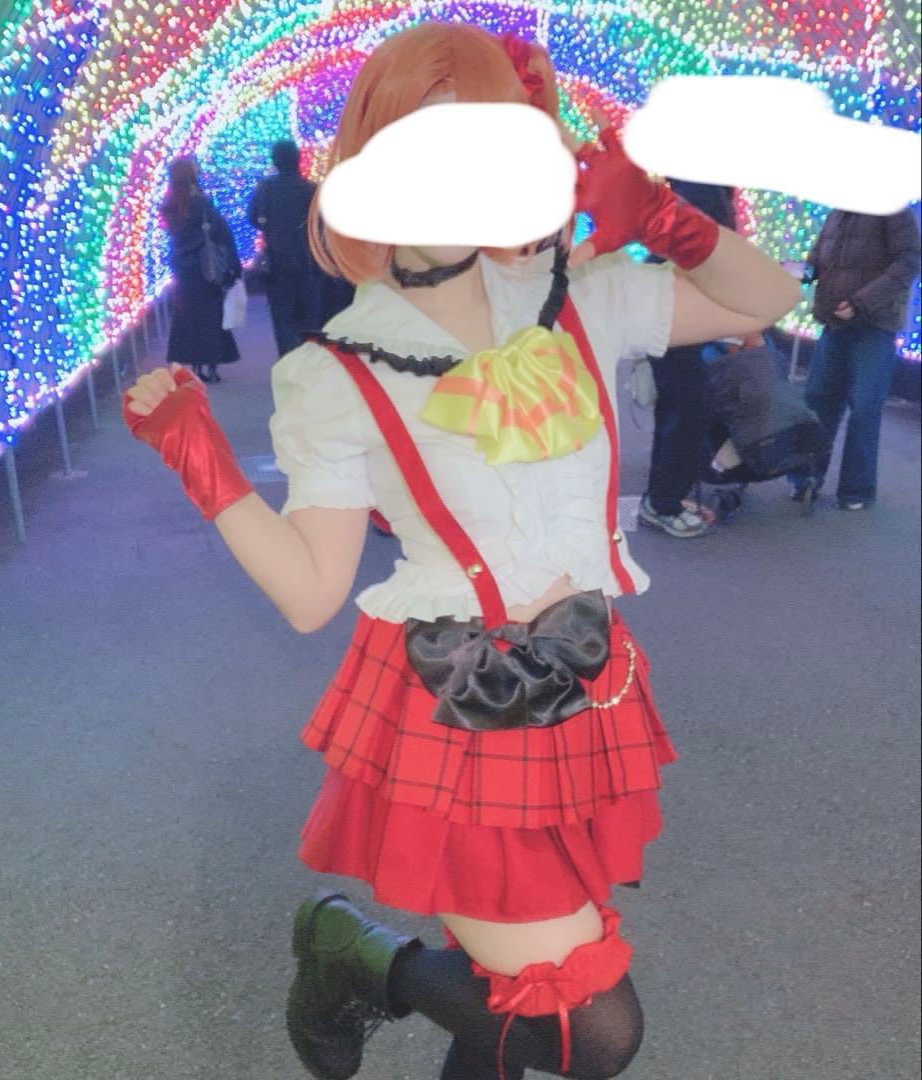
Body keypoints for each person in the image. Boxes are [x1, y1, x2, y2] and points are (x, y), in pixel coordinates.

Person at [124, 23, 800, 1080]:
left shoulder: (581, 298)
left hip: (582, 682)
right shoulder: (335, 372)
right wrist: (202, 464)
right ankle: (356, 955)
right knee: (589, 1032)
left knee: (505, 999)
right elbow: (310, 594)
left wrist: (665, 215)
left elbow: (767, 299)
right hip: (454, 703)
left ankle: (368, 964)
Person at [789, 207, 920, 510]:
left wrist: (862, 302)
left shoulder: (892, 207)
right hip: (834, 323)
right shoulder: (838, 212)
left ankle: (856, 490)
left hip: (874, 326)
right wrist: (795, 273)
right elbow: (819, 260)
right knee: (818, 400)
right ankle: (806, 478)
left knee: (864, 407)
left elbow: (909, 260)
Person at [638, 180, 740, 538]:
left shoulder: (694, 185)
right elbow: (708, 250)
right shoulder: (702, 186)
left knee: (678, 409)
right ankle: (664, 504)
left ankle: (661, 499)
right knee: (690, 410)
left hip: (672, 310)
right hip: (676, 312)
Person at [248, 139, 355, 357]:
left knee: (283, 318)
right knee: (309, 316)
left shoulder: (266, 189)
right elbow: (324, 224)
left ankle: (289, 360)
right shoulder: (312, 191)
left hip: (277, 263)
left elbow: (253, 218)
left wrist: (272, 228)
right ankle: (308, 359)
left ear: (275, 161)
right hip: (309, 263)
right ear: (297, 160)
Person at [161, 158, 241, 385]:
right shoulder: (202, 202)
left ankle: (195, 366)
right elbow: (221, 232)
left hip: (183, 269)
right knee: (211, 316)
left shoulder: (170, 205)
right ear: (192, 177)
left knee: (189, 317)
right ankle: (212, 367)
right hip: (206, 268)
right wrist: (233, 265)